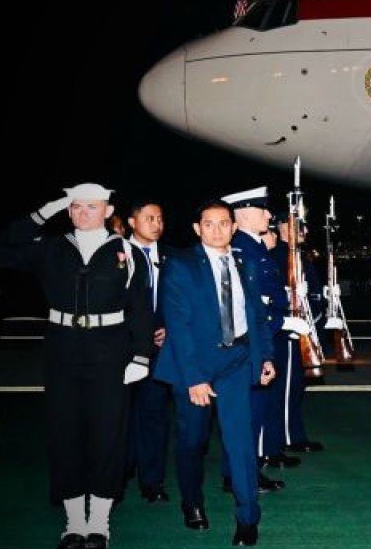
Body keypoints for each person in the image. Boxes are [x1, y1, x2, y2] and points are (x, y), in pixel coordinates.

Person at [0, 183, 154, 549]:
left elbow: (141, 308)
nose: (82, 213)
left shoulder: (127, 251)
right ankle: (74, 522)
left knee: (108, 435)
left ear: (108, 211)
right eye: (75, 207)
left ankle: (100, 523)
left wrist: (141, 356)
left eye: (91, 207)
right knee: (65, 434)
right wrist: (43, 213)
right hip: (62, 350)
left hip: (111, 352)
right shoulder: (51, 248)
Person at [154, 199, 277, 547]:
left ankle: (247, 517)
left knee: (239, 442)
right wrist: (194, 377)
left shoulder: (243, 261)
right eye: (209, 224)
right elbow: (178, 325)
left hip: (236, 361)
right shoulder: (180, 265)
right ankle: (192, 503)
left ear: (234, 227)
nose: (217, 230)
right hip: (194, 365)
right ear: (197, 229)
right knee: (193, 441)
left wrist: (265, 356)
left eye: (224, 223)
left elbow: (255, 314)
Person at [222, 187, 292, 489]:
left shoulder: (254, 246)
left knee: (255, 411)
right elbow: (249, 303)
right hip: (251, 342)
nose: (268, 216)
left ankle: (243, 473)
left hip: (264, 336)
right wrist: (281, 319)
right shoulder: (241, 247)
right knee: (247, 413)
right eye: (264, 210)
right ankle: (239, 475)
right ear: (246, 213)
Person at [123, 199, 173, 504]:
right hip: (121, 350)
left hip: (159, 350)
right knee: (119, 414)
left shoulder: (171, 257)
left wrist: (169, 327)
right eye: (150, 217)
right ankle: (119, 471)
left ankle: (151, 481)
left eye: (160, 218)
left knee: (154, 413)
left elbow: (181, 299)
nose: (157, 223)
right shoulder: (113, 253)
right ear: (132, 221)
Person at [269, 219, 326, 454]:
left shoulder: (297, 255)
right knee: (287, 388)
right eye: (298, 225)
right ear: (283, 227)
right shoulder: (280, 255)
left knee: (296, 387)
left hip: (303, 327)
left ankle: (293, 432)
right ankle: (288, 437)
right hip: (288, 332)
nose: (304, 230)